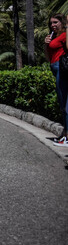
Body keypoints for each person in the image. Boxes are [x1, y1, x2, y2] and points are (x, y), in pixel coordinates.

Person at [44, 13, 68, 147]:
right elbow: (48, 57)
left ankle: (67, 136)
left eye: (55, 22)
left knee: (65, 103)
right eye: (51, 23)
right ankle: (65, 134)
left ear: (62, 22)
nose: (53, 25)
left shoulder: (65, 35)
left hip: (62, 69)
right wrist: (45, 44)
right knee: (62, 103)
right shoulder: (53, 36)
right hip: (54, 67)